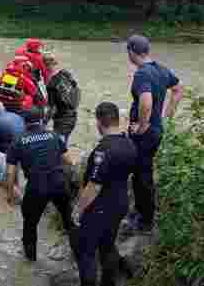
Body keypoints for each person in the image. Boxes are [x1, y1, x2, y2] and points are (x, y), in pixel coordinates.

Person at [124, 35, 184, 232]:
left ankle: (145, 220)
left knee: (142, 175)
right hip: (156, 130)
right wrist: (167, 116)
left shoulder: (142, 74)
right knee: (142, 171)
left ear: (132, 52)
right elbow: (177, 89)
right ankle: (141, 210)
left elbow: (146, 101)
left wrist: (142, 125)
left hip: (145, 133)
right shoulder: (161, 69)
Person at [74, 102, 137, 286]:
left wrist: (79, 210)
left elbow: (94, 186)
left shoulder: (103, 150)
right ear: (117, 119)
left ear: (99, 122)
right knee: (107, 246)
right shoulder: (129, 144)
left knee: (86, 251)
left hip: (100, 207)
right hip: (120, 203)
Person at [4, 105, 76, 262]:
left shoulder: (18, 141)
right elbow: (70, 161)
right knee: (69, 221)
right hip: (59, 183)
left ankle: (30, 262)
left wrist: (9, 194)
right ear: (42, 120)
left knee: (30, 225)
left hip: (37, 187)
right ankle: (78, 253)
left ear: (24, 122)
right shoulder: (54, 135)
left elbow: (10, 172)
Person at [0, 101, 25, 199]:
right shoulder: (15, 115)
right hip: (28, 145)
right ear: (3, 109)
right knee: (16, 171)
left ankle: (20, 199)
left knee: (4, 179)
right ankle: (16, 185)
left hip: (15, 149)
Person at [43, 52, 80, 146]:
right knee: (63, 144)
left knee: (59, 148)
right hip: (73, 116)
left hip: (62, 120)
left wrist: (43, 123)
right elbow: (77, 90)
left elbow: (52, 108)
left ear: (44, 65)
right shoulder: (66, 73)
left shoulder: (51, 84)